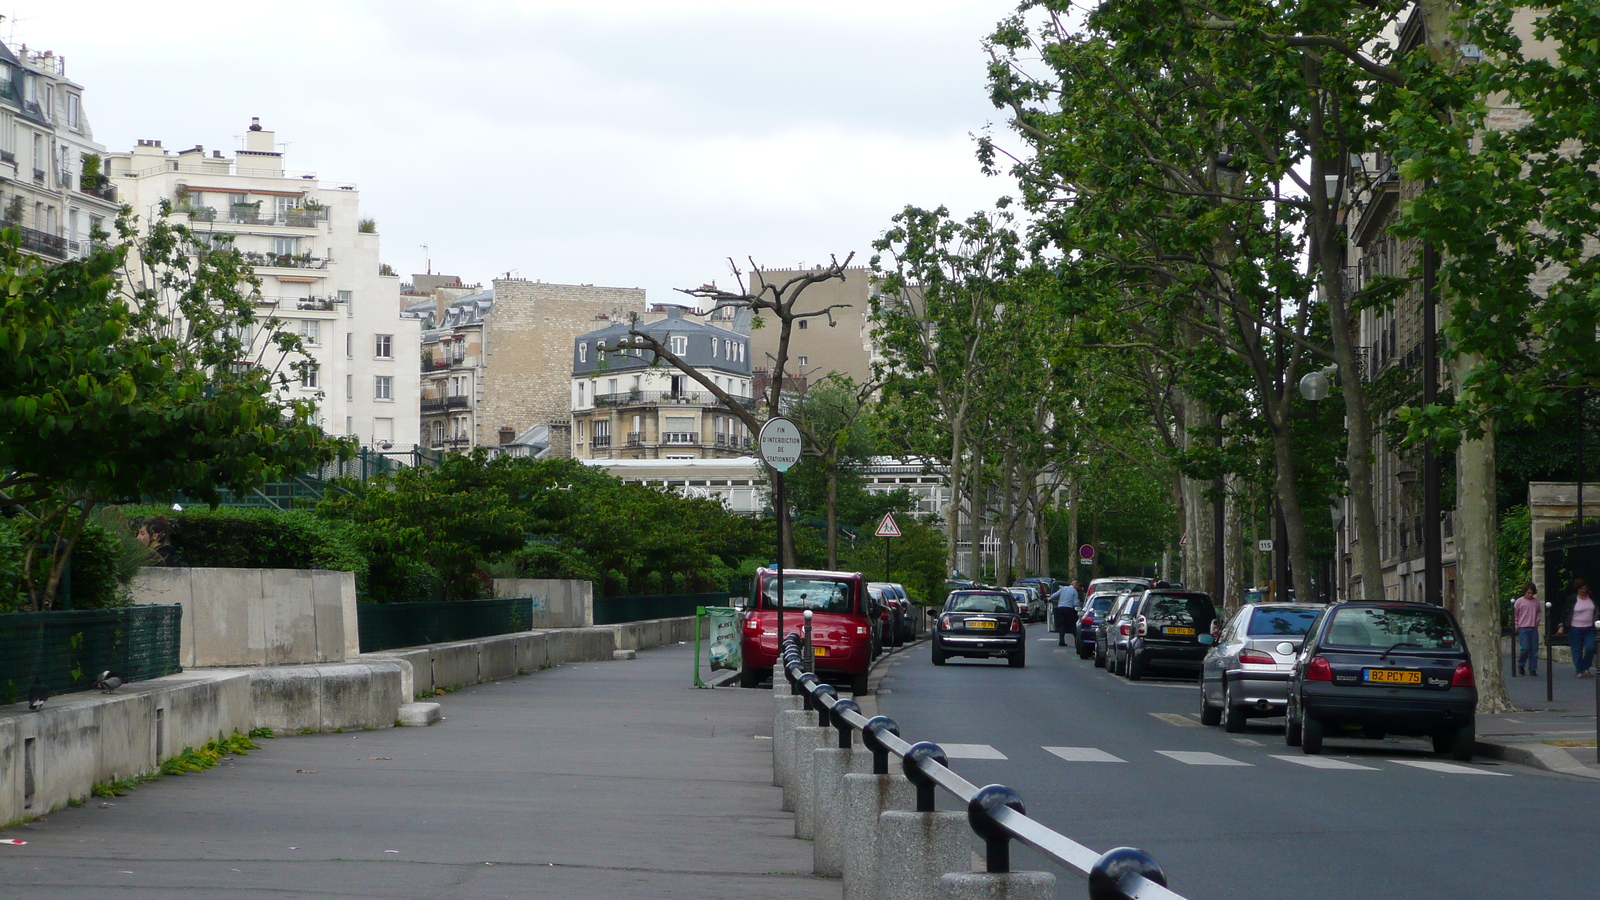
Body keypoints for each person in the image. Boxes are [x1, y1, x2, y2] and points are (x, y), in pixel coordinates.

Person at [1556, 578, 1597, 677]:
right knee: (1576, 650)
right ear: (1577, 589)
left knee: (1590, 648)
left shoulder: (1591, 597)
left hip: (1589, 628)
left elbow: (1596, 609)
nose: (1584, 590)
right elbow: (1565, 613)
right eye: (1581, 589)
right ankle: (1579, 670)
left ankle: (1586, 666)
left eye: (1585, 588)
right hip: (1575, 628)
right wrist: (1561, 626)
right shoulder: (1572, 599)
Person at [1512, 582, 1541, 677]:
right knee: (1525, 648)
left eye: (1532, 593)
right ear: (1525, 592)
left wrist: (1537, 620)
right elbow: (1515, 615)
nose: (1530, 595)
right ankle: (1521, 664)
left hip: (1533, 627)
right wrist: (1516, 625)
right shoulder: (1519, 602)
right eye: (1528, 593)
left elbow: (1539, 612)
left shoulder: (1536, 602)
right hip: (1523, 627)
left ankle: (1533, 669)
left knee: (1534, 650)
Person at [1052, 580, 1081, 646]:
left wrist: (1049, 599)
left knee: (1062, 625)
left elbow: (1055, 595)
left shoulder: (1063, 589)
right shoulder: (1074, 591)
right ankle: (1077, 641)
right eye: (1077, 586)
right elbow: (1076, 603)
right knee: (1072, 625)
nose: (1077, 587)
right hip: (1069, 609)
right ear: (1075, 585)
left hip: (1060, 608)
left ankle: (1061, 641)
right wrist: (1079, 608)